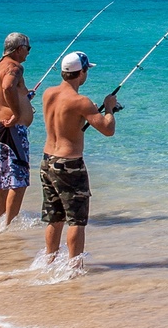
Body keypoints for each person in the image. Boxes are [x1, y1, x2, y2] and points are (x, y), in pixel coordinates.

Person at [37, 51, 120, 271]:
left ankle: (49, 261)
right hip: (69, 165)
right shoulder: (81, 102)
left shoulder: (48, 94)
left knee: (54, 216)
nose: (86, 75)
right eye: (86, 71)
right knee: (76, 220)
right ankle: (74, 268)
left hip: (47, 160)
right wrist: (109, 107)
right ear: (80, 72)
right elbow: (108, 129)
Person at [0, 32, 34, 224]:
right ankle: (10, 225)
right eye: (28, 49)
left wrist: (23, 97)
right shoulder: (14, 67)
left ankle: (0, 221)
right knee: (19, 181)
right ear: (19, 48)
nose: (28, 54)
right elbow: (7, 87)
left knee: (1, 181)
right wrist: (16, 113)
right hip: (9, 130)